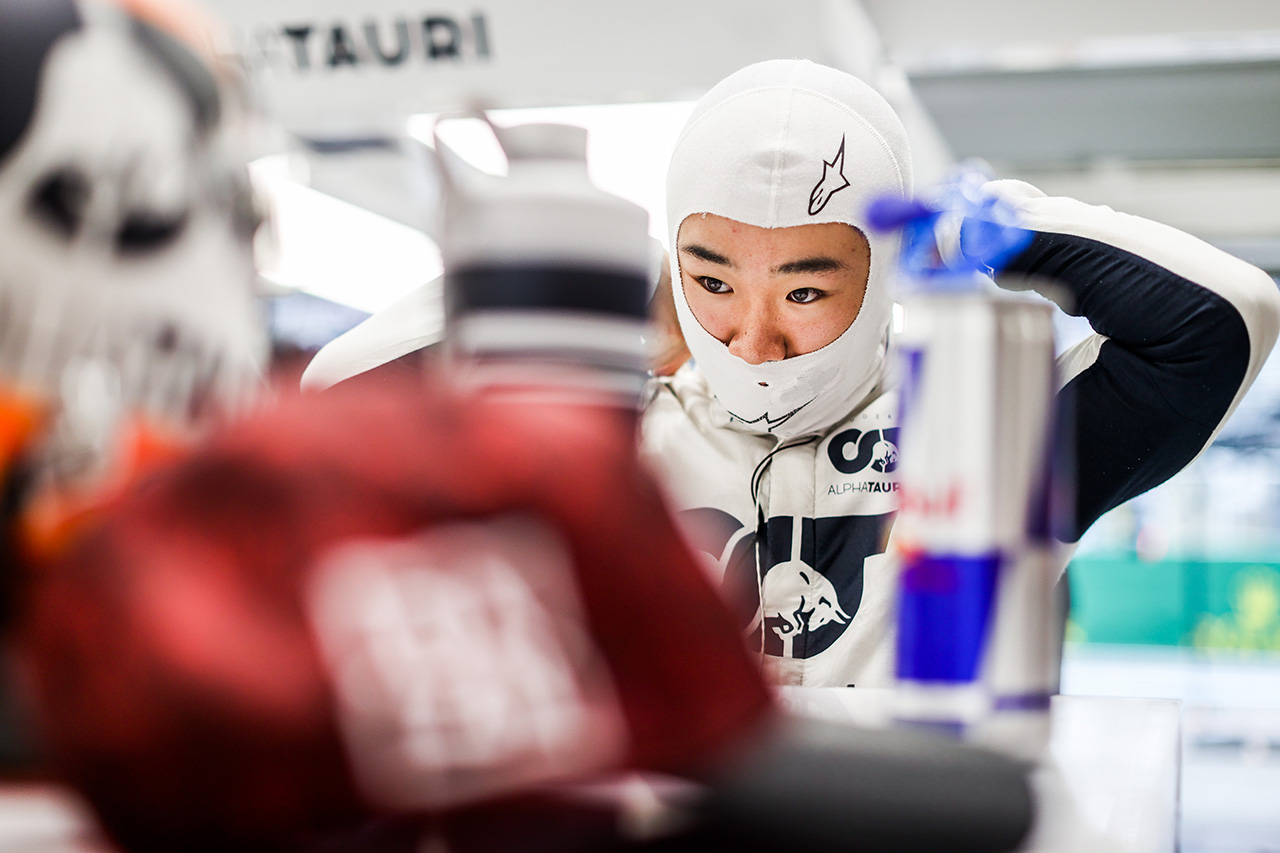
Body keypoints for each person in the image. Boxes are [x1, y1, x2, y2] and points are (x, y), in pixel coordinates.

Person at [640, 58, 1280, 689]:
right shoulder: (622, 440)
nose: (754, 346)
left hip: (922, 792)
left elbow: (1222, 320)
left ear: (882, 275)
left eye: (804, 292)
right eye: (715, 282)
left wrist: (1013, 232)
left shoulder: (984, 436)